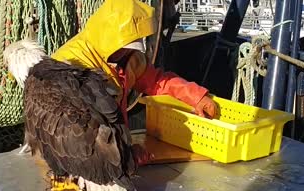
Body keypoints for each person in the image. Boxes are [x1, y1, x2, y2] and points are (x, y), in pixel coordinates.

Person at [51, 0, 217, 165]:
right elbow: (77, 128)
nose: (127, 51)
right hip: (76, 156)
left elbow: (158, 82)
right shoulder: (69, 65)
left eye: (132, 45)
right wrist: (122, 153)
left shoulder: (129, 58)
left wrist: (196, 97)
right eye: (124, 45)